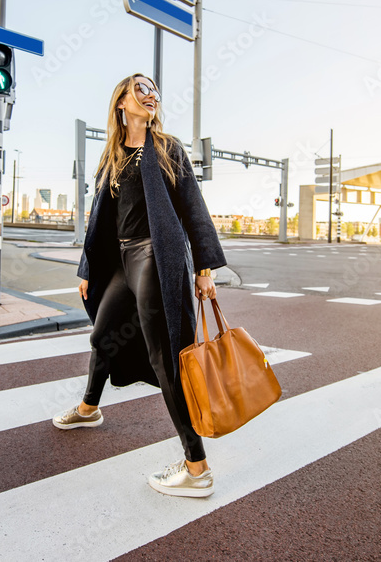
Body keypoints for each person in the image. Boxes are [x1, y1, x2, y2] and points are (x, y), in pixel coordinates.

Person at [52, 73, 227, 498]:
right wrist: (88, 267)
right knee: (103, 334)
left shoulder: (167, 149)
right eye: (141, 90)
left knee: (165, 356)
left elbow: (193, 208)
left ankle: (196, 467)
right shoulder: (112, 155)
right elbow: (100, 221)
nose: (151, 96)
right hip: (122, 260)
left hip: (156, 256)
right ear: (121, 104)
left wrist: (206, 267)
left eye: (154, 92)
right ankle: (90, 408)